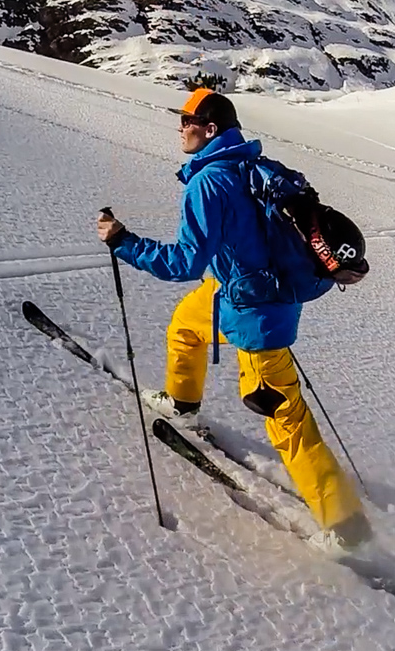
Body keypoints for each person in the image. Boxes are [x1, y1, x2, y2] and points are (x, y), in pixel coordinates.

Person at [96, 87, 371, 549]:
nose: (179, 128)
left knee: (287, 420)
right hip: (239, 293)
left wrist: (124, 242)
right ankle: (183, 405)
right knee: (186, 325)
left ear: (210, 129)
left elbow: (184, 263)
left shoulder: (210, 182)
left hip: (255, 314)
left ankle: (347, 527)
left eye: (187, 121)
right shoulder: (254, 169)